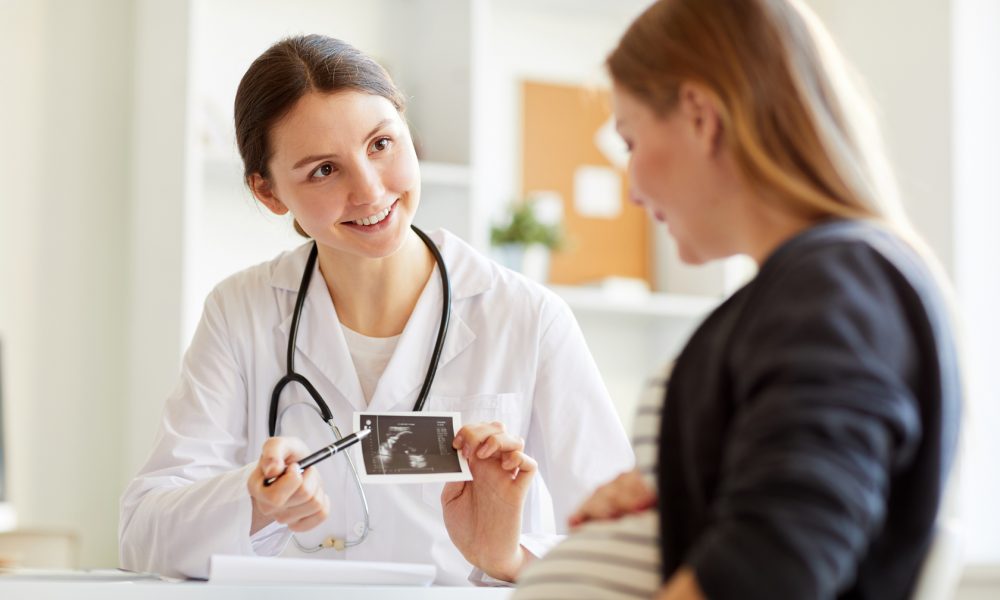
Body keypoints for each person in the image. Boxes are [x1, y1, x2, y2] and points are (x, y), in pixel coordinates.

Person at [118, 34, 633, 584]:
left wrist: (508, 558)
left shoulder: (525, 317)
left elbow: (630, 545)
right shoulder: (240, 312)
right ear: (268, 192)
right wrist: (254, 503)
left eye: (381, 144)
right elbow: (143, 534)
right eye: (323, 170)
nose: (369, 191)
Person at [513, 0, 962, 598]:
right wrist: (677, 496)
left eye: (630, 141)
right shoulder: (815, 287)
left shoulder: (834, 282)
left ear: (700, 115)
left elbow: (775, 559)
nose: (633, 189)